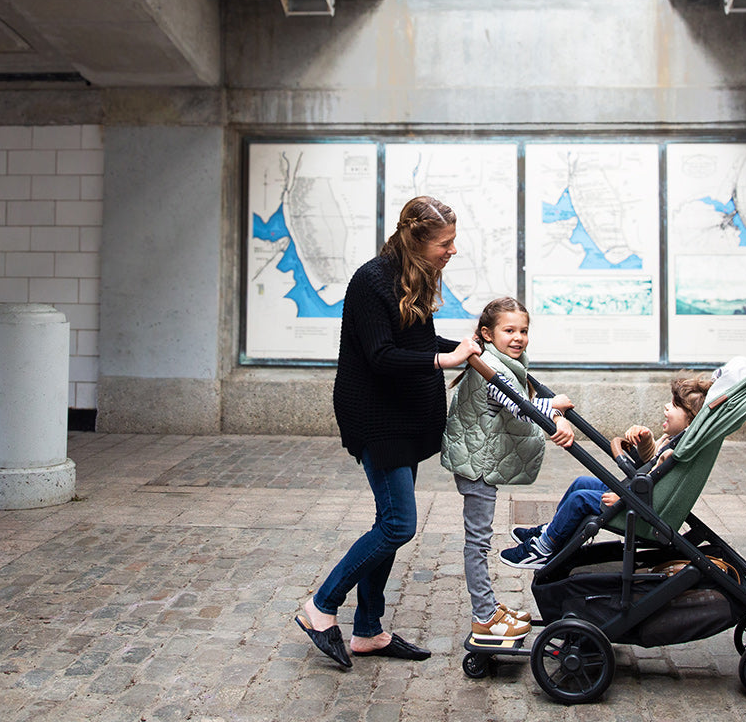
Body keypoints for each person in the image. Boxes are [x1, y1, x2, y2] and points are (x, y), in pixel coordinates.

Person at [295, 196, 481, 669]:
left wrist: (462, 348)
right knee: (398, 523)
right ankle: (320, 607)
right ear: (417, 240)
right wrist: (444, 359)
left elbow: (414, 344)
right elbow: (380, 355)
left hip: (405, 416)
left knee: (389, 522)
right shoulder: (371, 280)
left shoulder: (413, 276)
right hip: (375, 416)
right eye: (446, 242)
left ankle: (369, 631)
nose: (452, 250)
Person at [440, 298, 575, 643]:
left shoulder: (498, 362)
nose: (518, 338)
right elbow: (520, 407)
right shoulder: (493, 370)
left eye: (524, 331)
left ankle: (489, 609)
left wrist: (553, 412)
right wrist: (555, 406)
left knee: (479, 541)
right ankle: (484, 616)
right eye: (509, 330)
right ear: (488, 333)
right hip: (477, 467)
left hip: (479, 461)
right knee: (478, 543)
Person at [500, 372, 715, 569]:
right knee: (581, 483)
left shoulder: (675, 451)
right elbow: (650, 464)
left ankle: (543, 548)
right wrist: (646, 440)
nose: (667, 407)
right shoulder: (674, 440)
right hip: (638, 498)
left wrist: (624, 497)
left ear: (692, 419)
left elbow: (654, 481)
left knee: (580, 499)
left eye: (675, 405)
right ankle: (552, 531)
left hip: (639, 509)